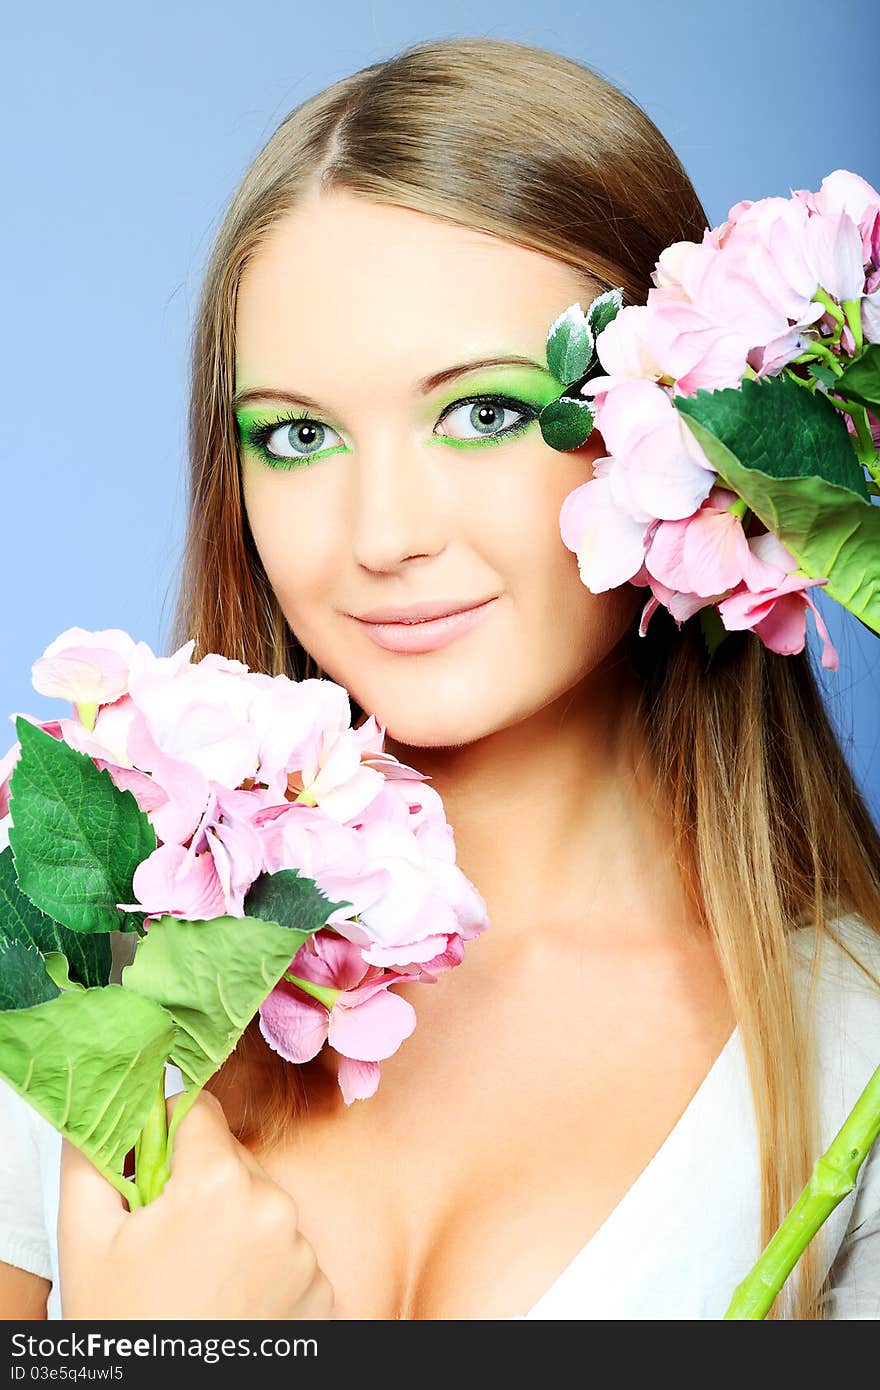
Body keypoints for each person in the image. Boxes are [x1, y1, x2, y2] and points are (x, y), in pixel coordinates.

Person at [2, 35, 879, 1323]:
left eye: (485, 412)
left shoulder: (849, 1061)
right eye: (297, 435)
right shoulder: (89, 955)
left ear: (679, 423)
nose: (378, 534)